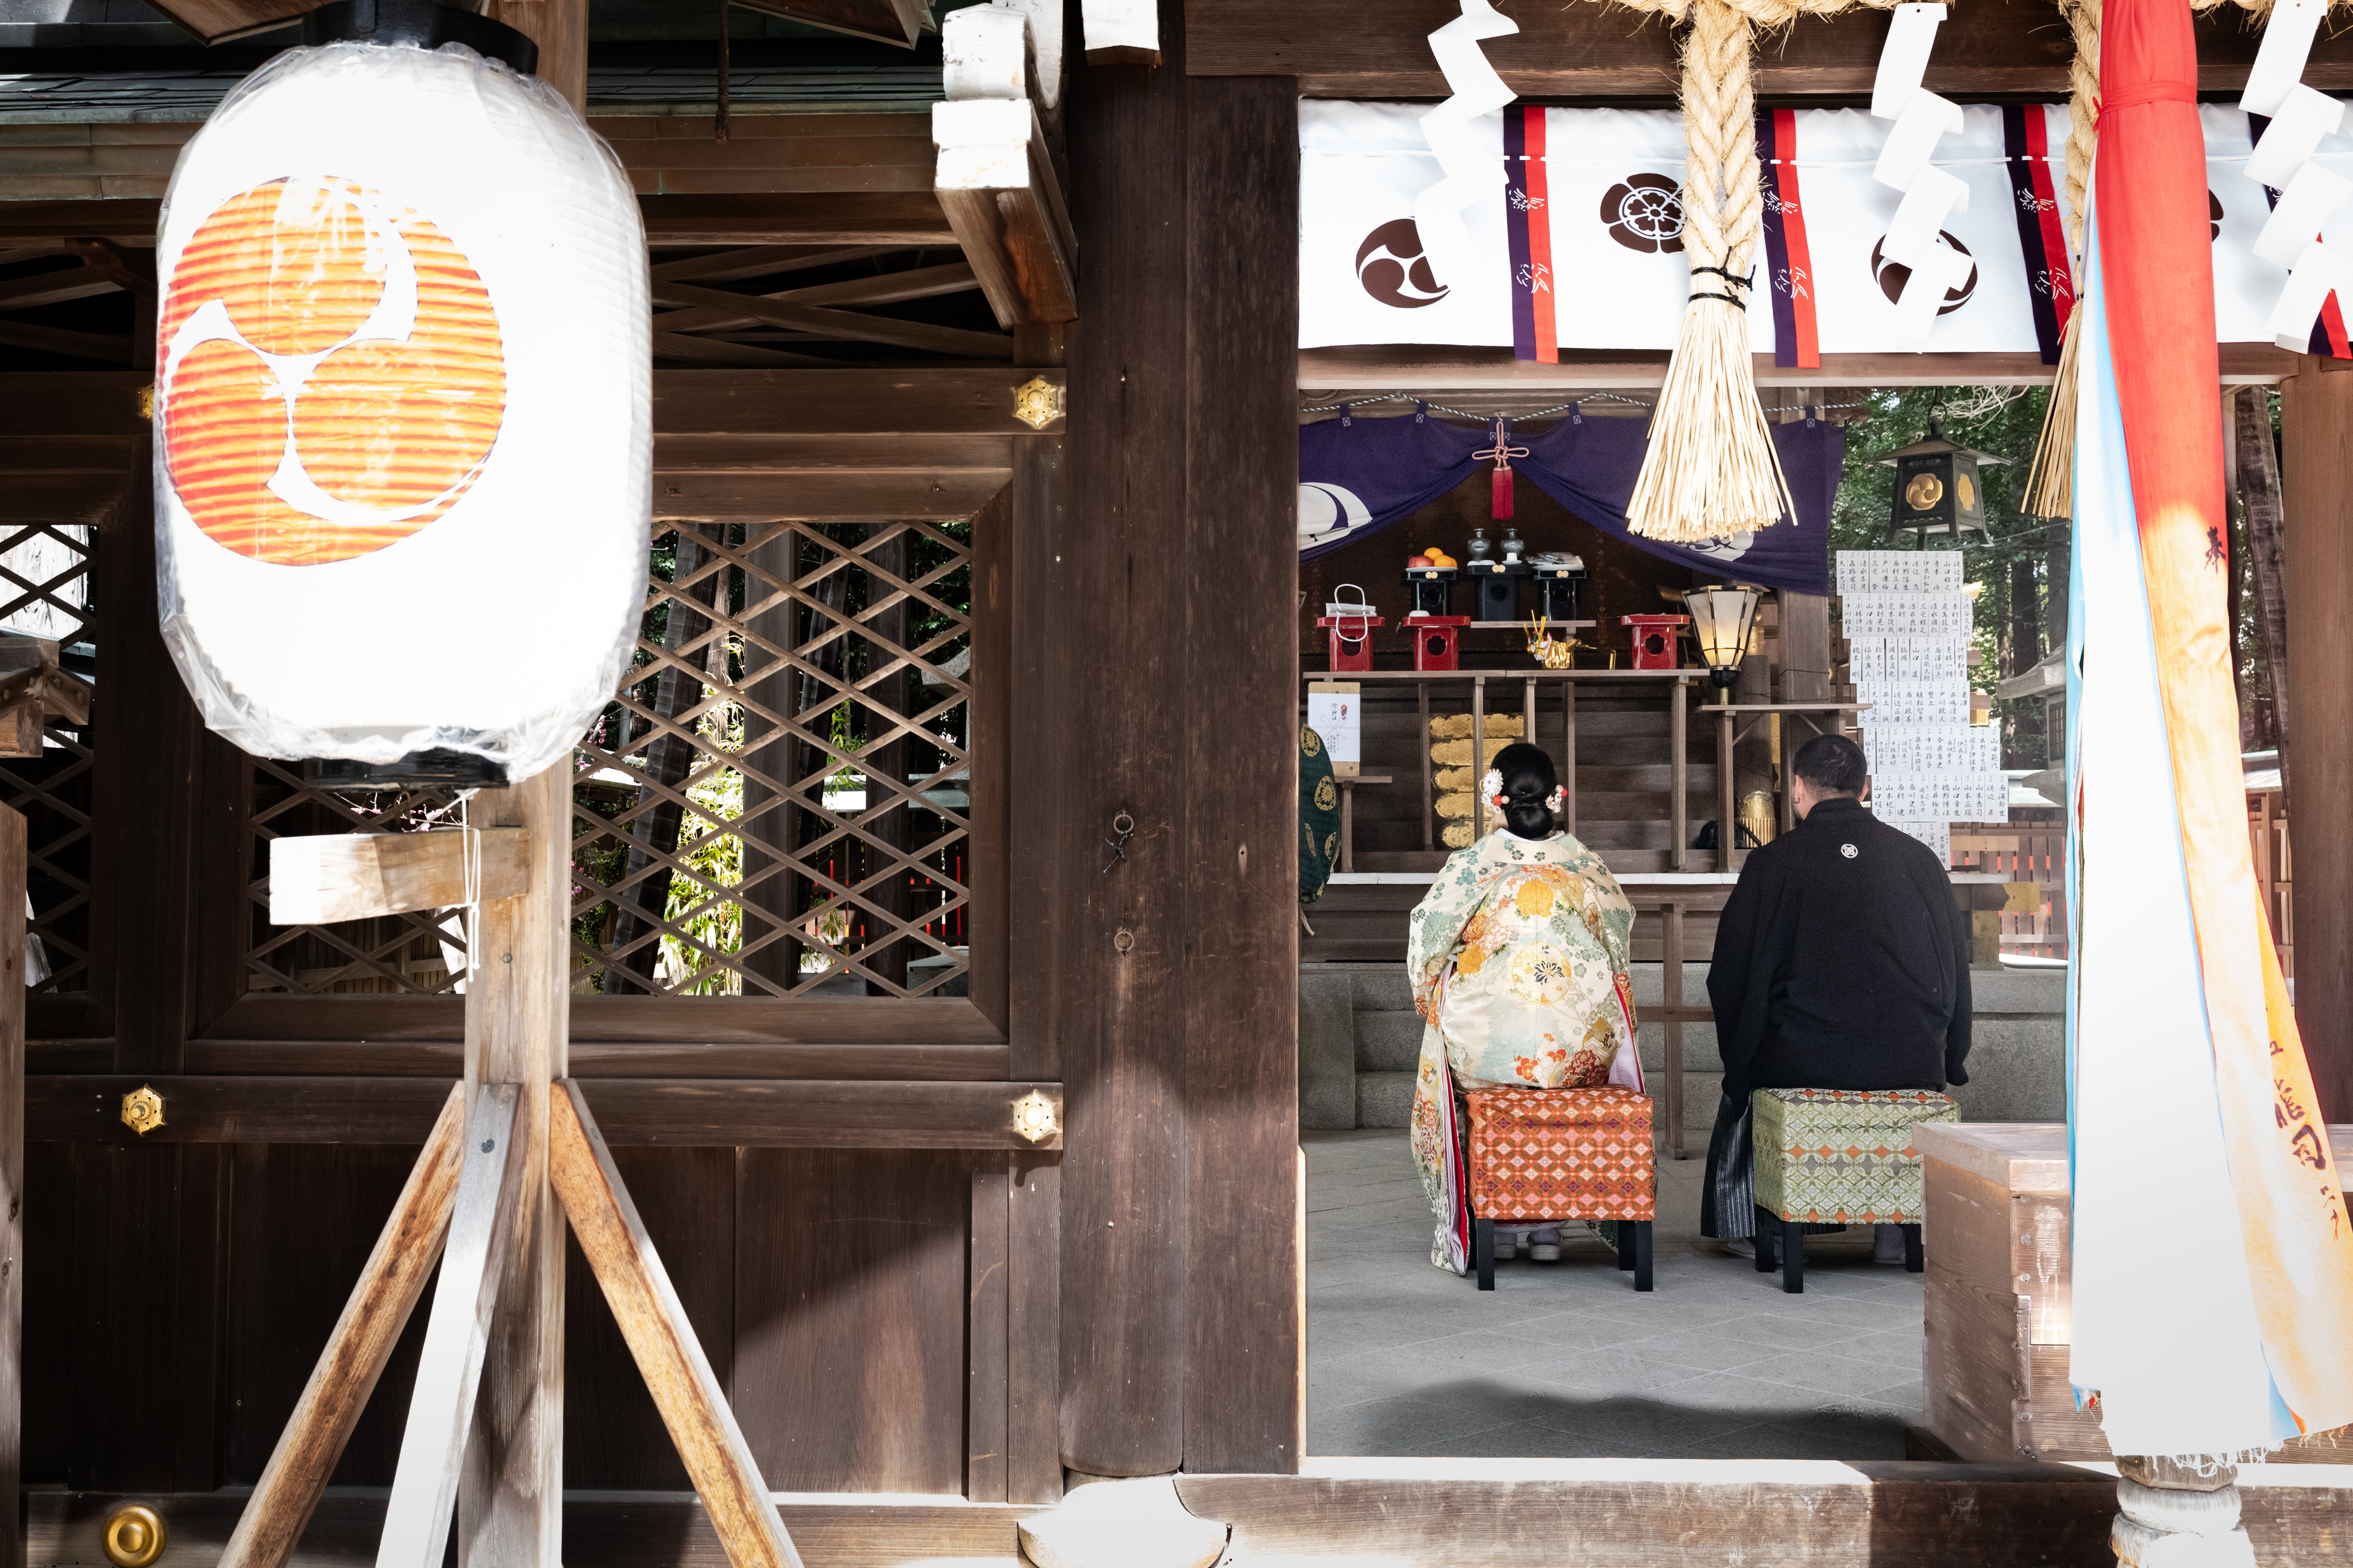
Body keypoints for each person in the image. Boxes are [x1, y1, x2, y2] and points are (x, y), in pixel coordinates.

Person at [1702, 731, 1972, 1263]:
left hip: (1802, 1060)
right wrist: (1950, 1056)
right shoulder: (1919, 861)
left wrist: (1740, 1060)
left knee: (1748, 1088)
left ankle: (1772, 1226)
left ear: (1798, 789)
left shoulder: (1773, 863)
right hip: (1909, 1059)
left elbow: (1728, 977)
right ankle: (1894, 1229)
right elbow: (1955, 970)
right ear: (1864, 788)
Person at [1406, 741, 1642, 1275]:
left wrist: (1432, 995)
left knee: (1466, 1040)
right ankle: (1548, 1228)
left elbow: (1428, 935)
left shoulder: (1473, 866)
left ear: (1497, 799)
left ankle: (1503, 1223)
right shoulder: (1585, 864)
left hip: (1489, 1049)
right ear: (1558, 796)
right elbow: (1618, 942)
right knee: (1573, 1047)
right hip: (1576, 1051)